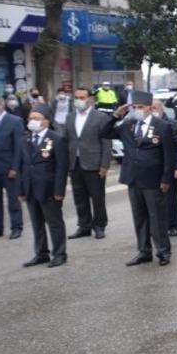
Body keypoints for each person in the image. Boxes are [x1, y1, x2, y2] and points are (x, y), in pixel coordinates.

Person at [102, 92, 176, 266]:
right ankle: (144, 251)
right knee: (139, 217)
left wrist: (166, 179)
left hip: (153, 179)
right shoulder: (128, 125)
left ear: (150, 108)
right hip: (133, 178)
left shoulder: (162, 126)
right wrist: (115, 115)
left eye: (140, 107)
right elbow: (104, 133)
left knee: (157, 217)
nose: (137, 110)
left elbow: (168, 155)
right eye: (134, 108)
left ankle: (163, 251)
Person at [17, 109, 68, 268]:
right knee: (36, 223)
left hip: (49, 189)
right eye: (30, 118)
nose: (32, 121)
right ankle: (41, 253)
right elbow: (20, 167)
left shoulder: (56, 139)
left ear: (46, 121)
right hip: (30, 188)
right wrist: (21, 190)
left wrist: (59, 191)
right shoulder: (24, 140)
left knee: (54, 223)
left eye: (36, 118)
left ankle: (59, 254)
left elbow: (62, 167)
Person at [63, 86, 112, 240]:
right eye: (76, 97)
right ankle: (84, 225)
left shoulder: (101, 117)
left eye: (82, 98)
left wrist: (104, 164)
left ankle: (99, 225)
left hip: (94, 163)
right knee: (79, 197)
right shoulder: (70, 117)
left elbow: (106, 142)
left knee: (97, 197)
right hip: (75, 163)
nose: (79, 100)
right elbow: (67, 140)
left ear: (90, 99)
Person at [0, 94, 24, 240]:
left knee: (13, 199)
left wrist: (15, 167)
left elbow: (19, 147)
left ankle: (16, 227)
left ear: (2, 106)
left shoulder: (14, 121)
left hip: (8, 168)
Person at [153, 98, 177, 239]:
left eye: (155, 107)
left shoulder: (172, 125)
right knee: (154, 200)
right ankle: (158, 225)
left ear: (162, 109)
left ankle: (173, 225)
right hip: (153, 169)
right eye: (150, 107)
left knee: (170, 199)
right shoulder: (148, 125)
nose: (153, 110)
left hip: (170, 168)